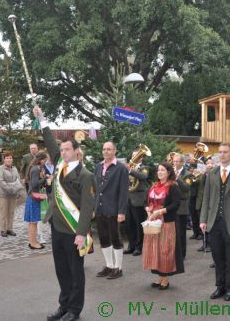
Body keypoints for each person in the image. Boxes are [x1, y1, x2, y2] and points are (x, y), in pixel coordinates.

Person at [34, 105, 95, 321]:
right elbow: (50, 139)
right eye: (61, 150)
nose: (63, 153)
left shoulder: (85, 174)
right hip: (57, 227)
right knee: (61, 270)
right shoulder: (59, 165)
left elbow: (88, 207)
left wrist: (82, 233)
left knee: (76, 272)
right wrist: (41, 118)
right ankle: (64, 305)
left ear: (76, 151)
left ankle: (74, 310)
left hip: (73, 230)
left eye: (67, 150)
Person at [200, 143, 230, 301]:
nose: (222, 155)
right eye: (220, 152)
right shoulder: (212, 173)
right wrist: (203, 219)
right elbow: (206, 198)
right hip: (214, 221)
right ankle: (219, 286)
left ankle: (229, 288)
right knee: (217, 256)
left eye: (225, 152)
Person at [143, 162, 184, 289]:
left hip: (167, 222)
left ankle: (165, 278)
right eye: (158, 170)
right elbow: (148, 201)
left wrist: (160, 211)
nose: (159, 172)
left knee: (165, 250)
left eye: (163, 170)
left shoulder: (173, 186)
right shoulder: (154, 186)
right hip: (153, 222)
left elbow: (176, 204)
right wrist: (148, 209)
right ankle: (159, 276)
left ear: (169, 172)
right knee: (155, 249)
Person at [94, 142, 129, 280]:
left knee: (115, 238)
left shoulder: (120, 168)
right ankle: (109, 265)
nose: (106, 151)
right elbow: (96, 189)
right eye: (104, 149)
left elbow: (123, 192)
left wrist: (122, 211)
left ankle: (118, 268)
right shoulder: (98, 166)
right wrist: (94, 207)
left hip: (114, 209)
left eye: (109, 149)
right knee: (103, 238)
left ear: (115, 151)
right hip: (100, 208)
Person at [124, 149, 149, 256]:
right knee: (129, 224)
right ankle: (131, 245)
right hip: (128, 198)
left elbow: (143, 177)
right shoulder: (129, 167)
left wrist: (130, 170)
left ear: (141, 158)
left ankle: (139, 247)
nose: (134, 158)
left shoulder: (144, 168)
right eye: (133, 156)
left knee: (139, 224)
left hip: (138, 199)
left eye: (137, 156)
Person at [24, 151, 49, 248]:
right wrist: (45, 179)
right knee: (33, 222)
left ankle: (32, 242)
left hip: (32, 197)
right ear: (41, 160)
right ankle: (33, 243)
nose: (45, 161)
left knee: (32, 222)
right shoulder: (35, 169)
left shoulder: (35, 168)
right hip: (34, 197)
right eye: (45, 160)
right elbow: (35, 184)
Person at [0, 151, 22, 237]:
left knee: (11, 212)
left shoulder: (14, 168)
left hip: (13, 194)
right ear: (4, 159)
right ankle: (3, 229)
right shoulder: (1, 168)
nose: (9, 159)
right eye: (7, 158)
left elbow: (18, 180)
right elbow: (1, 181)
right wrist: (10, 188)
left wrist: (17, 190)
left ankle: (9, 228)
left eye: (10, 158)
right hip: (3, 194)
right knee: (4, 212)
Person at [174, 153, 193, 259]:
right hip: (172, 205)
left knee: (181, 232)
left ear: (182, 162)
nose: (176, 163)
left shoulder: (187, 174)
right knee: (173, 232)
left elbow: (186, 188)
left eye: (178, 161)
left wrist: (177, 178)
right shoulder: (170, 172)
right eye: (174, 161)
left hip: (182, 205)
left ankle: (182, 254)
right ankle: (174, 252)